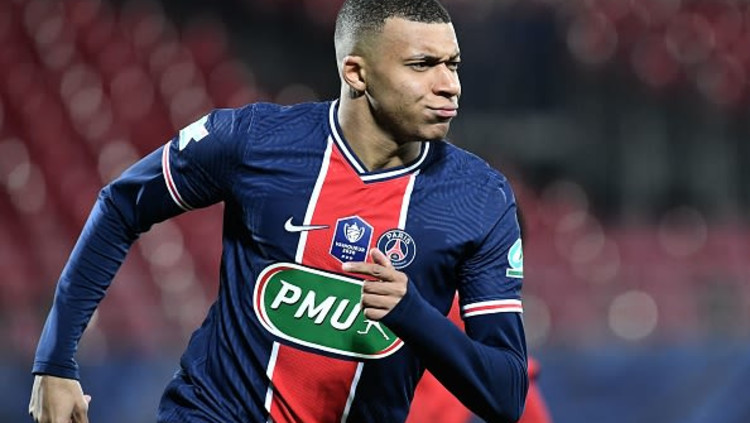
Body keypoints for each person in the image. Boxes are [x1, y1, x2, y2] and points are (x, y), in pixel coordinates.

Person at [29, 0, 529, 422]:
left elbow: (506, 396)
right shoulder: (253, 141)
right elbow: (121, 206)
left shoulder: (481, 199)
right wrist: (55, 360)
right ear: (356, 73)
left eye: (453, 64)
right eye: (422, 65)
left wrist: (411, 312)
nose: (449, 85)